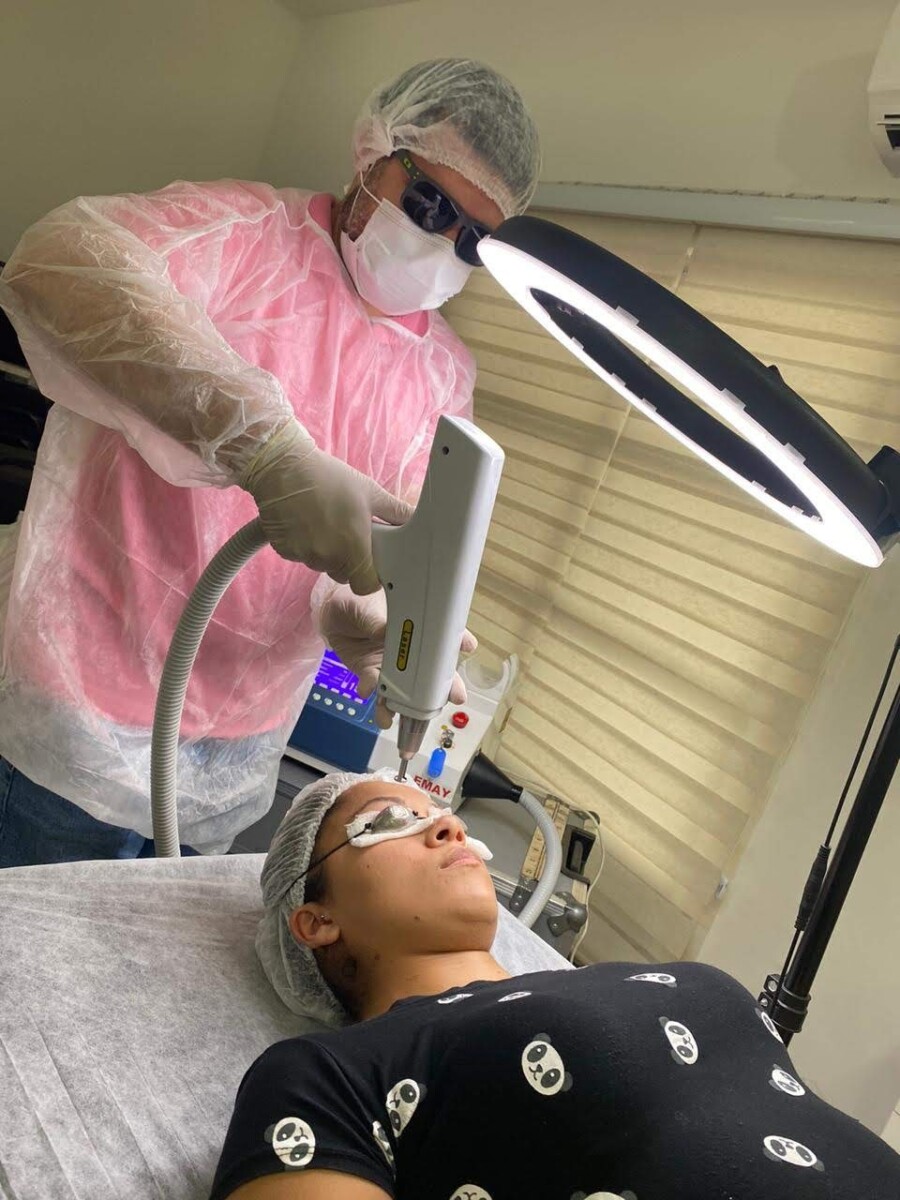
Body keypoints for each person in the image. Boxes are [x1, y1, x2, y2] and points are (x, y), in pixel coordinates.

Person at [0, 60, 540, 865]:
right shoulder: (242, 237)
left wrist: (359, 614)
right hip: (80, 706)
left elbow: (377, 535)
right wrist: (265, 447)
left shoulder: (443, 378)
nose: (441, 246)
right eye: (430, 204)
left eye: (474, 242)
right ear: (373, 152)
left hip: (236, 744)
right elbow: (56, 265)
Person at [210, 769, 900, 1200]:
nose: (448, 825)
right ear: (317, 921)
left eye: (441, 812)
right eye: (389, 821)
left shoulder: (616, 976)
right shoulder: (329, 1076)